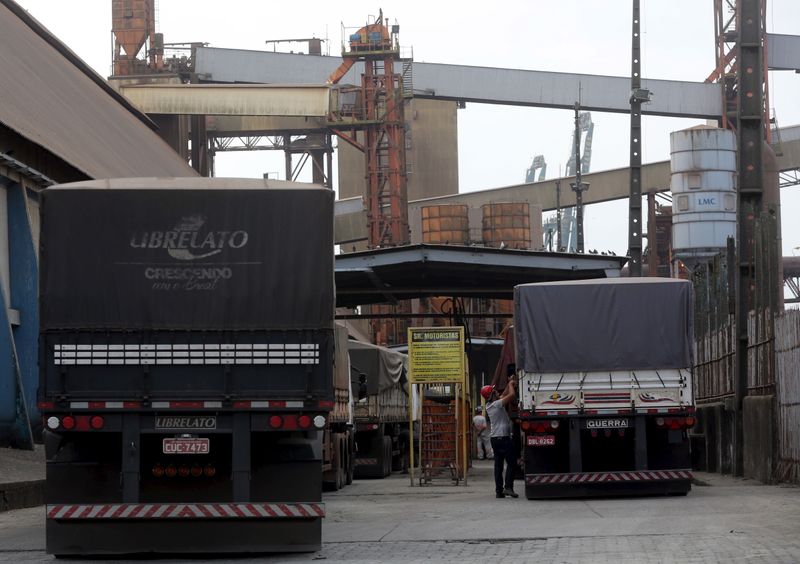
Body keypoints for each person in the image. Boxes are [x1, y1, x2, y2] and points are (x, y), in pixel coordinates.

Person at [481, 377, 518, 498]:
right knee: (512, 463)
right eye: (494, 391)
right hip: (503, 438)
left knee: (498, 465)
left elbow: (504, 394)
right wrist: (512, 385)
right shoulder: (497, 404)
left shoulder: (490, 405)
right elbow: (511, 395)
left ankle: (499, 491)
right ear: (491, 395)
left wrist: (509, 382)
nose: (497, 392)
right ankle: (508, 487)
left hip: (495, 439)